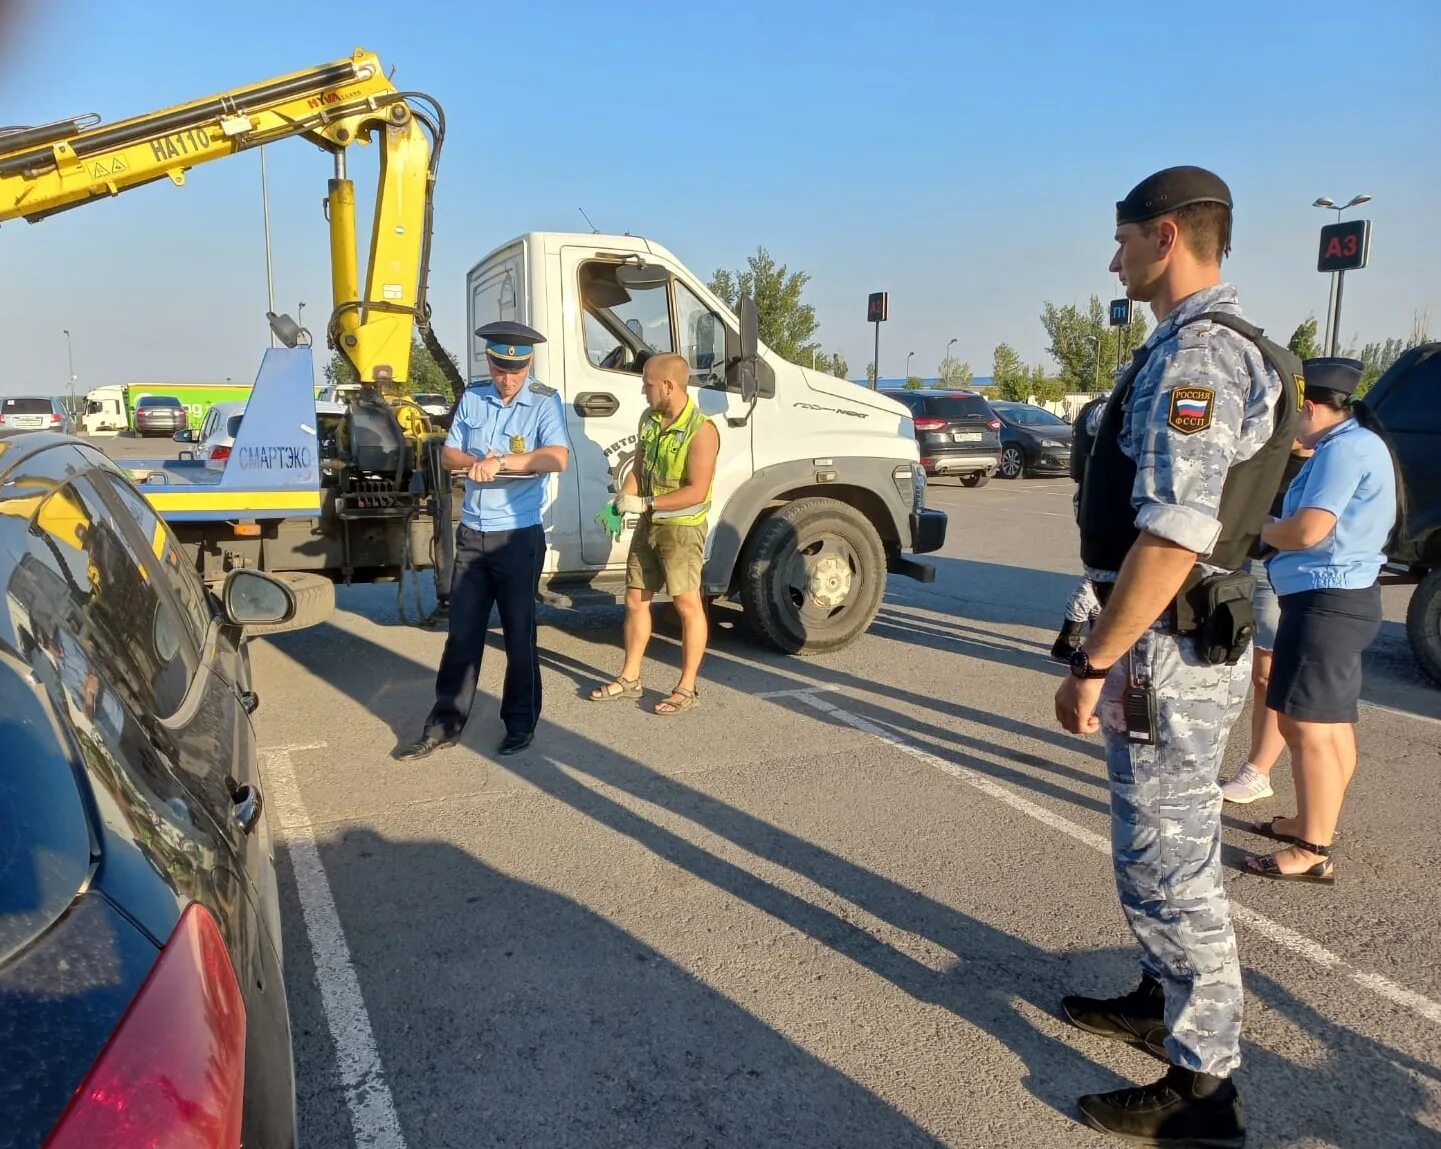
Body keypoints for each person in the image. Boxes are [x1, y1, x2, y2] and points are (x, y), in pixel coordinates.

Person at [1054, 165, 1300, 1146]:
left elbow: (1172, 536)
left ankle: (1206, 1092)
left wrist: (1092, 663)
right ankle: (1163, 1001)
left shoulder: (1200, 357)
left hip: (1168, 647)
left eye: (1120, 241)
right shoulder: (1212, 347)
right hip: (1177, 641)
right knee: (1157, 848)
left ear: (1164, 236)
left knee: (1172, 865)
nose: (1112, 259)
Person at [1242, 357, 1398, 882]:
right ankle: (1311, 822)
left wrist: (1255, 527)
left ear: (1309, 407)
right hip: (1337, 600)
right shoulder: (1347, 444)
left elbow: (1307, 530)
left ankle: (1312, 849)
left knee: (1304, 724)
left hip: (1325, 602)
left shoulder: (1345, 450)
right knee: (1328, 725)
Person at [396, 321, 569, 760]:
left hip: (517, 534)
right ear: (488, 361)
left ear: (528, 364)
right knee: (463, 635)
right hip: (473, 532)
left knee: (518, 636)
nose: (506, 378)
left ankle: (519, 723)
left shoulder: (545, 403)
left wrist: (506, 461)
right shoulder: (473, 397)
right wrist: (474, 460)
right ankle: (443, 725)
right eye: (499, 368)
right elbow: (450, 451)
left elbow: (557, 457)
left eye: (515, 369)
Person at [589, 353, 719, 715]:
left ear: (668, 386)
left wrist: (644, 503)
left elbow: (696, 489)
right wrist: (622, 499)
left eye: (648, 385)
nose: (644, 391)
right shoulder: (650, 418)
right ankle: (630, 678)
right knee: (634, 599)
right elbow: (641, 466)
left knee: (687, 605)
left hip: (681, 530)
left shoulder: (701, 430)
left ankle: (686, 687)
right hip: (649, 524)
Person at [1219, 440, 1312, 804]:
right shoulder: (1262, 445)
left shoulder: (1323, 458)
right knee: (1226, 658)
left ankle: (1258, 771)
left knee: (1267, 672)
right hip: (1238, 552)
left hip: (1277, 561)